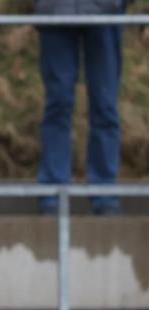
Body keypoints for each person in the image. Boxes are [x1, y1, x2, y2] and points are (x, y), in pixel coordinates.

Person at [36, 0, 129, 215]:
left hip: (106, 11)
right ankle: (53, 190)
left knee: (105, 105)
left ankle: (104, 190)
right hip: (55, 11)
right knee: (58, 104)